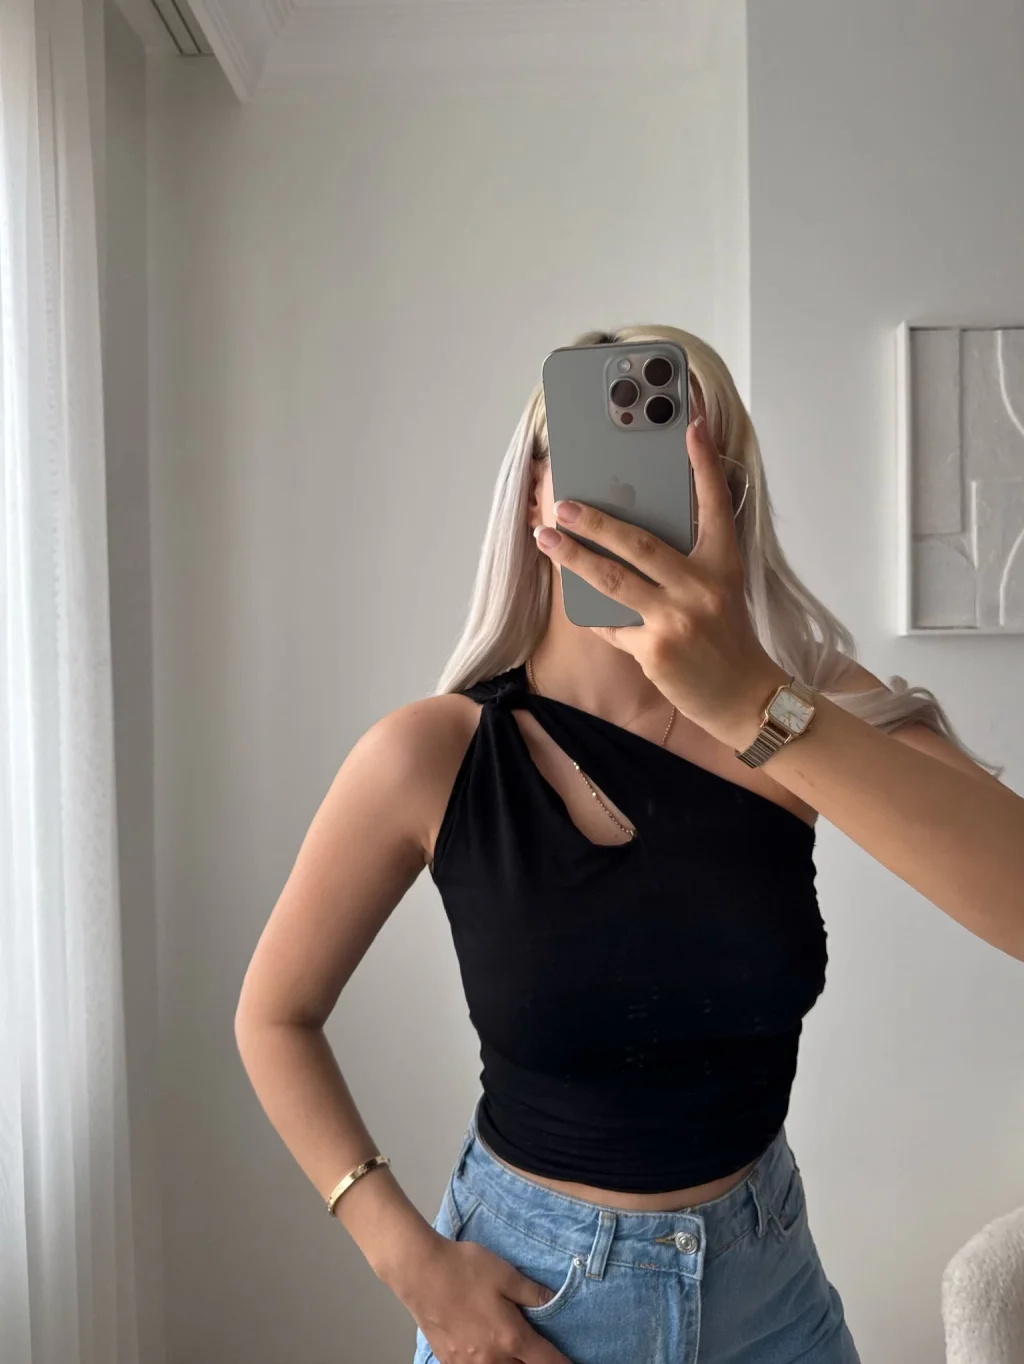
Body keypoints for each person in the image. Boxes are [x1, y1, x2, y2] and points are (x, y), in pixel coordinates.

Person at [234, 325, 1016, 1364]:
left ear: (730, 501)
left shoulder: (806, 709)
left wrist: (753, 703)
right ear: (534, 494)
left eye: (692, 463)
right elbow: (273, 1016)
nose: (646, 498)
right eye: (608, 458)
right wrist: (407, 1259)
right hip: (532, 1306)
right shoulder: (432, 755)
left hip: (771, 1298)